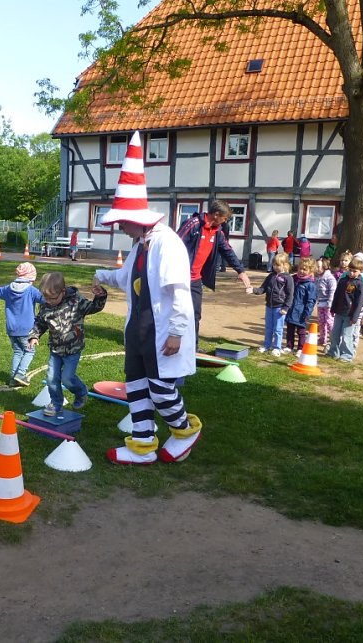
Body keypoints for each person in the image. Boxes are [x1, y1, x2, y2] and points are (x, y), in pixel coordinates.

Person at [93, 130, 201, 465]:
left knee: (161, 389)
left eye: (121, 223)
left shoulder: (167, 243)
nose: (120, 229)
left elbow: (179, 291)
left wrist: (176, 332)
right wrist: (101, 276)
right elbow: (126, 278)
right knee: (137, 387)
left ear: (133, 220)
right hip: (139, 332)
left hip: (159, 332)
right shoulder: (141, 244)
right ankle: (142, 444)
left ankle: (185, 430)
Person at [28, 271, 106, 416]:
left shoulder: (76, 302)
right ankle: (56, 403)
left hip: (73, 349)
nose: (49, 301)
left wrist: (100, 295)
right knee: (51, 379)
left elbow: (95, 307)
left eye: (52, 298)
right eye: (46, 298)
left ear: (63, 291)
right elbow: (40, 323)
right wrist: (34, 336)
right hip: (55, 349)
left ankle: (81, 392)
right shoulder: (45, 306)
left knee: (67, 378)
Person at [177, 199, 251, 344]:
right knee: (176, 312)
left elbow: (227, 250)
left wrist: (241, 271)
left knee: (195, 314)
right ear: (216, 215)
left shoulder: (218, 232)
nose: (225, 221)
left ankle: (192, 347)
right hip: (179, 278)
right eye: (225, 218)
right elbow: (175, 244)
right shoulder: (193, 224)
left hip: (195, 280)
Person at [0, 262, 44, 387]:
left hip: (12, 328)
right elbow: (45, 299)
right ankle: (20, 374)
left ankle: (13, 379)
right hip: (27, 329)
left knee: (18, 352)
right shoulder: (31, 291)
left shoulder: (8, 289)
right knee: (29, 351)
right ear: (31, 277)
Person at [247, 252, 294, 357]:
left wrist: (286, 308)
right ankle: (266, 345)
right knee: (268, 328)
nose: (275, 267)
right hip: (269, 306)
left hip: (280, 308)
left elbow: (290, 295)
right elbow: (263, 288)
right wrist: (253, 290)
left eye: (278, 265)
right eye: (274, 264)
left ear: (285, 265)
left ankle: (277, 347)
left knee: (278, 329)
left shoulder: (288, 278)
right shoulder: (271, 276)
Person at [325, 256, 363, 362]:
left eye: (354, 271)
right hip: (339, 312)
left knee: (347, 336)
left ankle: (347, 355)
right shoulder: (342, 281)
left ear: (360, 271)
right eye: (350, 270)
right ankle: (333, 352)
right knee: (335, 334)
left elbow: (359, 303)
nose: (351, 273)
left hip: (349, 315)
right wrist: (333, 309)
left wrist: (354, 317)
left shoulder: (360, 285)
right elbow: (336, 295)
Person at [284, 256, 317, 356]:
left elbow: (311, 300)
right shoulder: (293, 279)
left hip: (301, 312)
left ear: (310, 271)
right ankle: (289, 346)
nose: (301, 271)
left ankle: (300, 348)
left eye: (305, 269)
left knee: (301, 331)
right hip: (291, 309)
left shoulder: (310, 285)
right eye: (300, 268)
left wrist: (307, 313)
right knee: (290, 329)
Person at [315, 256, 337, 348]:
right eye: (316, 266)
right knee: (321, 322)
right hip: (320, 303)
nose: (316, 268)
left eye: (318, 267)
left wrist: (330, 303)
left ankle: (333, 339)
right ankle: (322, 338)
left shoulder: (330, 278)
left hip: (328, 304)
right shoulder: (318, 277)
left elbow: (332, 291)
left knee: (329, 322)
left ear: (325, 267)